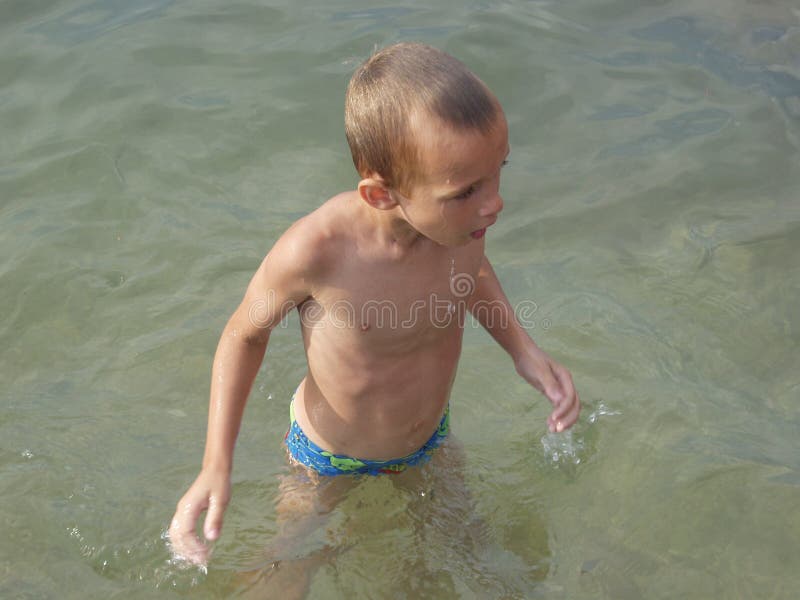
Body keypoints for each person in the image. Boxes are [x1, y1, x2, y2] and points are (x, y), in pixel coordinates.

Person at [168, 42, 580, 566]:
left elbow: (472, 272)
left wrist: (523, 349)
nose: (494, 201)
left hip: (430, 439)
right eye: (467, 190)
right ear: (382, 194)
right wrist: (215, 462)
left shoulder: (461, 224)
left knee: (464, 552)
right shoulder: (317, 251)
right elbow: (243, 333)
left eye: (499, 170)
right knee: (290, 565)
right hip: (327, 460)